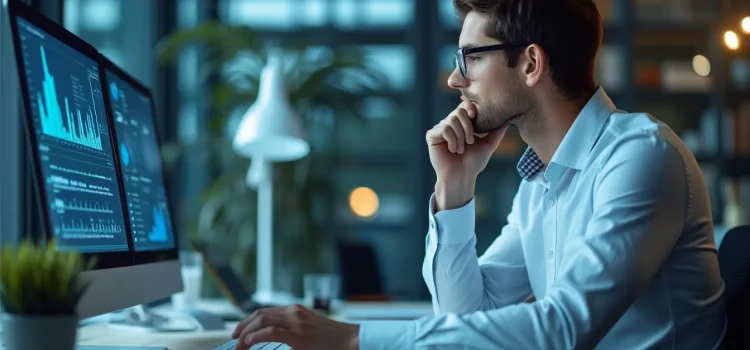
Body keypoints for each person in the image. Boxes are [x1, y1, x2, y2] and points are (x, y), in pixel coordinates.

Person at [229, 0, 727, 349]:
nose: (455, 79)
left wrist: (353, 339)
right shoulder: (541, 184)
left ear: (531, 62)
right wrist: (454, 187)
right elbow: (465, 319)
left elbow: (563, 331)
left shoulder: (640, 156)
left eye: (471, 57)